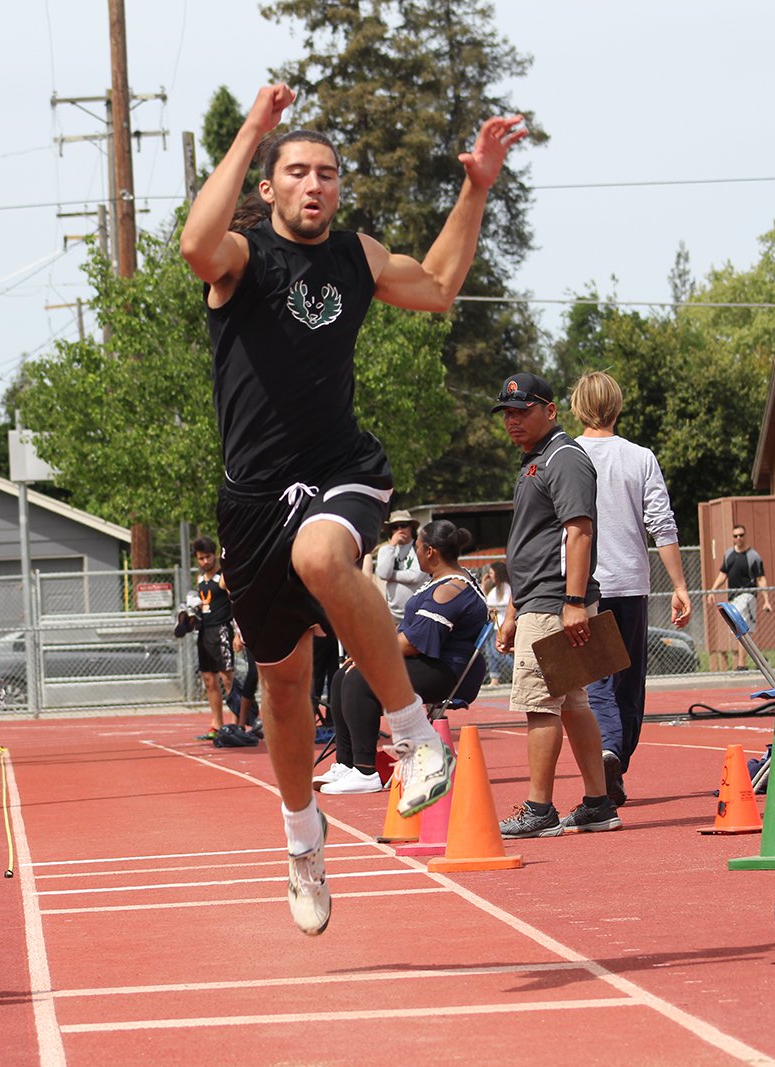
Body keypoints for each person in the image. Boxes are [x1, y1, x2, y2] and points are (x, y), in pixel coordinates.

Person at [180, 81, 525, 934]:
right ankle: (303, 839)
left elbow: (441, 284)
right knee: (285, 687)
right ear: (269, 186)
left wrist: (476, 185)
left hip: (341, 467)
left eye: (328, 173)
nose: (314, 185)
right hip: (253, 500)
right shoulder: (242, 259)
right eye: (296, 171)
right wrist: (253, 128)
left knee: (323, 557)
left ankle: (414, 735)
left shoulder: (358, 258)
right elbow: (193, 244)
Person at [491, 373, 620, 838]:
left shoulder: (563, 457)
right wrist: (511, 611)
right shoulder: (538, 459)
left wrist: (572, 602)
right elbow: (530, 542)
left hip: (553, 600)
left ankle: (539, 809)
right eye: (507, 412)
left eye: (523, 411)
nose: (513, 420)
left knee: (541, 704)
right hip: (540, 600)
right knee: (574, 704)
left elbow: (579, 531)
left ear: (551, 410)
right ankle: (598, 802)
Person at [571, 371, 691, 807]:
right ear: (617, 408)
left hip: (582, 586)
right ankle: (616, 756)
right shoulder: (640, 457)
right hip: (630, 584)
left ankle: (607, 756)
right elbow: (662, 523)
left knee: (594, 681)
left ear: (577, 406)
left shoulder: (564, 455)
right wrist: (679, 584)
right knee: (628, 684)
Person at [318, 520, 488, 795]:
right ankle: (347, 764)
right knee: (341, 675)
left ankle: (365, 771)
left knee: (361, 678)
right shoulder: (442, 582)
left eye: (417, 547)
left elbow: (414, 642)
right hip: (431, 662)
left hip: (445, 671)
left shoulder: (451, 589)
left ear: (430, 551)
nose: (415, 553)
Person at [179, 536, 235, 741]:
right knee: (209, 680)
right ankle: (217, 724)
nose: (205, 562)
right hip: (204, 631)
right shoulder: (200, 580)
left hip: (221, 630)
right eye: (201, 558)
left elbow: (234, 602)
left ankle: (237, 722)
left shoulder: (222, 577)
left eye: (208, 557)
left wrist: (237, 633)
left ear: (215, 555)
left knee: (227, 678)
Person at [707, 524, 773, 670]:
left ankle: (741, 664)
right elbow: (723, 574)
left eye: (741, 535)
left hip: (747, 596)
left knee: (742, 629)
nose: (739, 538)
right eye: (736, 536)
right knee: (740, 631)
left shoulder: (753, 556)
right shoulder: (729, 554)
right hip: (733, 598)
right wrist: (712, 590)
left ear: (745, 536)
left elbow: (761, 578)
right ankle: (759, 659)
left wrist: (766, 600)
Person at [369, 511, 426, 622]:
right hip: (392, 616)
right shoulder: (385, 550)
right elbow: (383, 574)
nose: (399, 530)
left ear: (411, 528)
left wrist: (391, 575)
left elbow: (415, 576)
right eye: (395, 527)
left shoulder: (419, 548)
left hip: (419, 614)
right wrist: (392, 546)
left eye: (403, 525)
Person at [480, 562, 515, 685]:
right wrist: (484, 585)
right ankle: (494, 678)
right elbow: (485, 601)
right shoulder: (494, 589)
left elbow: (504, 604)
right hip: (493, 625)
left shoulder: (506, 588)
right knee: (490, 653)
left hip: (501, 624)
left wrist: (493, 607)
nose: (490, 576)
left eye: (491, 573)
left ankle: (516, 669)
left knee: (497, 652)